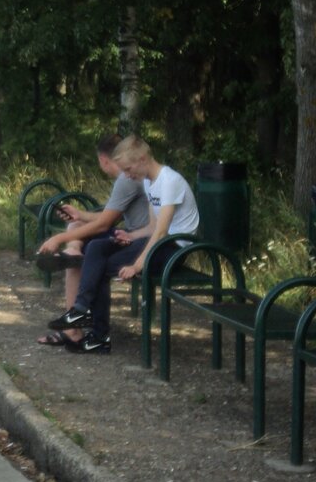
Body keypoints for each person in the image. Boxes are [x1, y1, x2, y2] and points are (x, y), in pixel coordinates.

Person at [46, 135, 199, 354]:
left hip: (175, 248)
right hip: (158, 241)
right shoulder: (148, 182)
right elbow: (150, 228)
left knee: (100, 266)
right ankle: (80, 309)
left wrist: (137, 265)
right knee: (97, 248)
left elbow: (162, 231)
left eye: (128, 169)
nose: (126, 175)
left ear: (142, 159)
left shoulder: (170, 181)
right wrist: (129, 236)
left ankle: (99, 336)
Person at [35, 134, 149, 347]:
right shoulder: (130, 178)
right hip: (133, 234)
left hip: (141, 241)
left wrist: (59, 238)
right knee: (77, 228)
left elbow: (104, 224)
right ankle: (74, 252)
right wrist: (80, 215)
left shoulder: (128, 180)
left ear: (104, 160)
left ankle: (74, 328)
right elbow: (111, 216)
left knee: (92, 251)